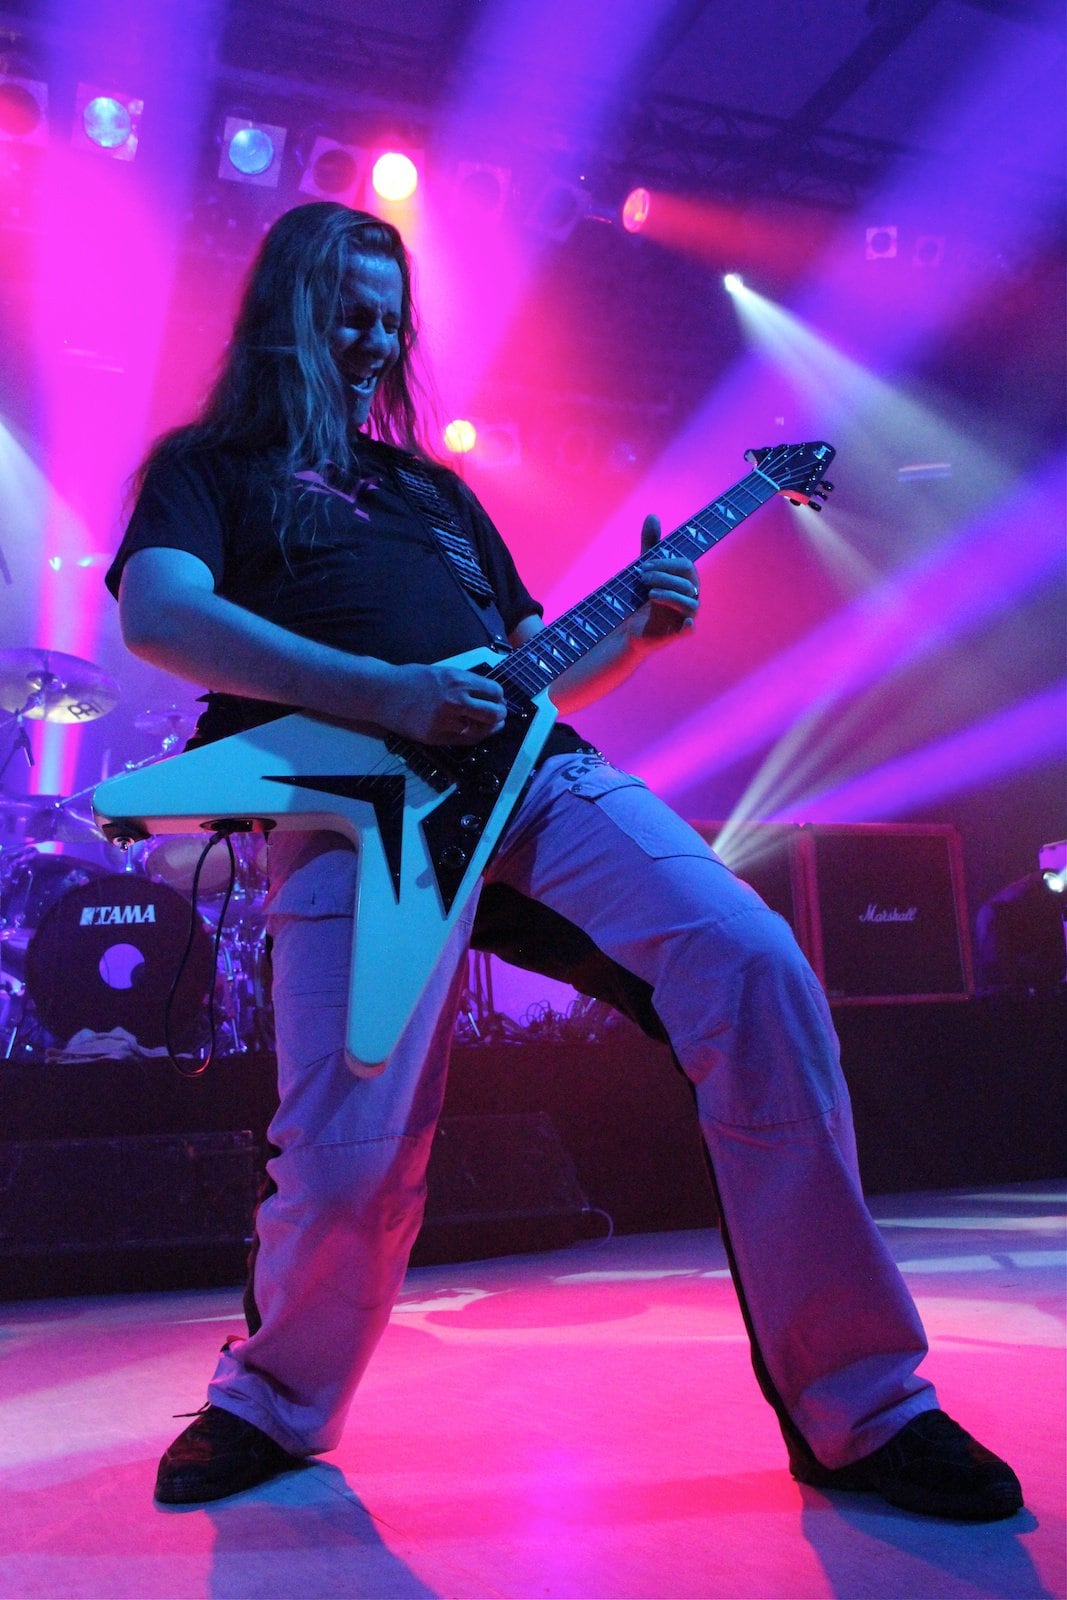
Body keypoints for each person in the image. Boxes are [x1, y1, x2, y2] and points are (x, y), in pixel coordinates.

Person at [107, 201, 1022, 1521]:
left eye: (391, 317)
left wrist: (638, 635)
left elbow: (537, 669)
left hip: (540, 780)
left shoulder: (437, 494)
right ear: (284, 313)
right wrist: (389, 694)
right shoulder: (210, 467)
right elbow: (161, 615)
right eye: (349, 311)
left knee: (754, 965)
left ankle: (865, 1406)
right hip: (350, 809)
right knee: (350, 1148)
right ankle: (273, 1399)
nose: (376, 340)